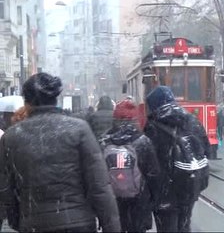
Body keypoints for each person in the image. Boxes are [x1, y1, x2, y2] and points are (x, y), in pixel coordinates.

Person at [0, 73, 120, 232]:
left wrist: (18, 219)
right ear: (56, 98)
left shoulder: (12, 136)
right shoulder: (79, 129)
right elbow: (99, 186)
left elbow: (5, 189)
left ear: (27, 102)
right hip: (78, 222)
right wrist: (111, 226)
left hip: (34, 223)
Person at [144, 86, 210, 232]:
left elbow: (148, 162)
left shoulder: (153, 126)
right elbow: (206, 150)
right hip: (189, 187)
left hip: (164, 193)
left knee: (168, 228)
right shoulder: (192, 120)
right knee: (185, 225)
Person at [101, 99, 160, 232]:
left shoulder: (104, 141)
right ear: (135, 119)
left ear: (115, 119)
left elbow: (96, 176)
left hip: (113, 202)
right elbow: (153, 174)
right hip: (138, 202)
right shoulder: (143, 141)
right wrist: (153, 200)